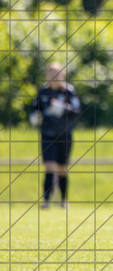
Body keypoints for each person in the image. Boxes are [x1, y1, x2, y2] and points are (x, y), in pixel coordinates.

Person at [29, 62, 81, 209]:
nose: (54, 76)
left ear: (63, 75)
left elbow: (77, 111)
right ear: (47, 75)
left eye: (57, 73)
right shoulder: (42, 92)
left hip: (64, 135)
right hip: (47, 135)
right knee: (49, 166)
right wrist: (35, 117)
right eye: (51, 73)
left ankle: (63, 200)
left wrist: (63, 108)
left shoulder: (69, 91)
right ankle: (46, 200)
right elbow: (35, 109)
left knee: (62, 168)